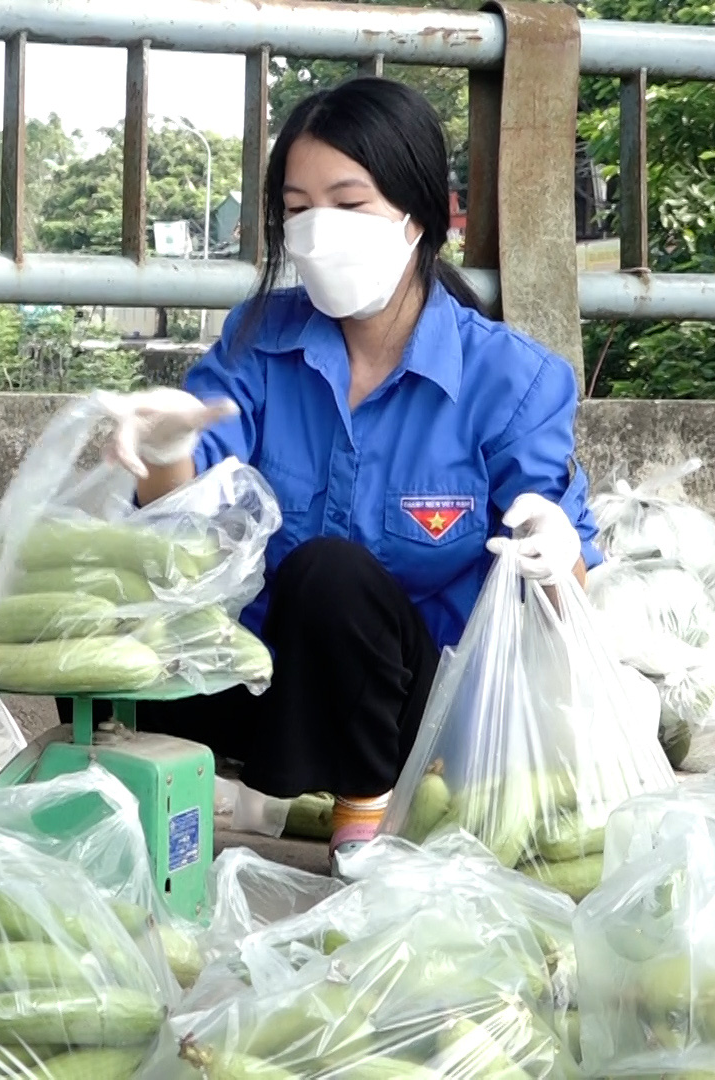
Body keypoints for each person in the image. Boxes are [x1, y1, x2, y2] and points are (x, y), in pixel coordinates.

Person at [88, 77, 600, 864]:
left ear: (417, 213)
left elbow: (569, 600)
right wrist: (162, 452)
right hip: (271, 680)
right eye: (297, 208)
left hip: (419, 718)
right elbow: (187, 509)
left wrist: (557, 549)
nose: (318, 229)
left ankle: (358, 814)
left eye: (348, 203)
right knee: (100, 625)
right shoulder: (259, 342)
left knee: (334, 576)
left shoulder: (511, 379)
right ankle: (254, 787)